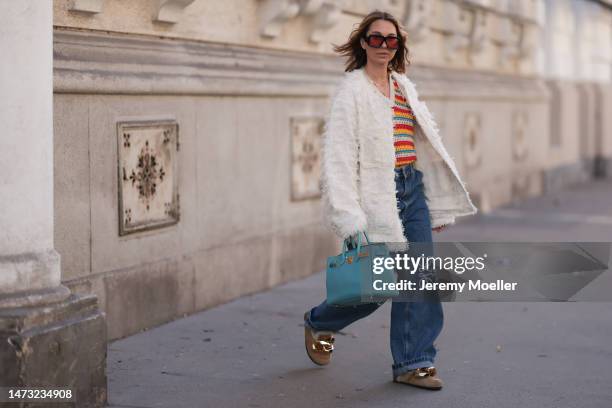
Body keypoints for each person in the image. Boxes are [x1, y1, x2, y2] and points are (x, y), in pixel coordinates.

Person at [303, 10, 478, 390]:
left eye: (391, 40)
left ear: (398, 47)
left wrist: (435, 203)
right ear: (364, 43)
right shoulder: (352, 90)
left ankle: (413, 362)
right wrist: (348, 214)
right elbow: (339, 156)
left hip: (411, 189)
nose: (384, 45)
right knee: (374, 287)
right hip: (375, 196)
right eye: (376, 38)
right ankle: (320, 322)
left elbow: (425, 147)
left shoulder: (403, 86)